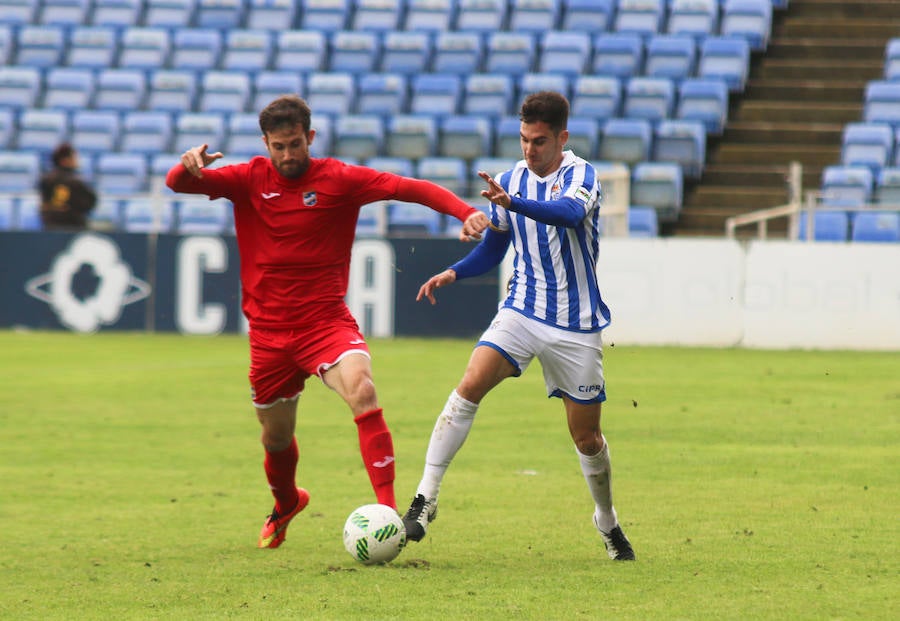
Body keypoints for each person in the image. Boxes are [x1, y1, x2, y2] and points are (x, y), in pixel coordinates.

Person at [165, 95, 490, 549]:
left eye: (295, 144)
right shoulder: (249, 179)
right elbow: (177, 184)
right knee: (276, 438)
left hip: (325, 324)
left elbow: (408, 187)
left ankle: (387, 515)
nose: (287, 155)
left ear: (310, 138)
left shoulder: (339, 179)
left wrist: (465, 212)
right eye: (278, 146)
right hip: (269, 335)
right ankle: (285, 503)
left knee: (364, 390)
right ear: (266, 143)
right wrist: (188, 167)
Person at [401, 91, 635, 561]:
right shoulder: (509, 180)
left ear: (562, 138)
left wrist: (515, 202)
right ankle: (425, 499)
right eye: (525, 139)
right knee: (468, 386)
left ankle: (606, 520)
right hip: (522, 311)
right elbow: (495, 247)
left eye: (540, 141)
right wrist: (456, 270)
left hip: (576, 322)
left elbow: (569, 214)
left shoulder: (581, 176)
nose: (530, 149)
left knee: (586, 438)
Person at [37, 142, 97, 231]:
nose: (76, 160)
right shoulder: (76, 182)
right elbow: (90, 201)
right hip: (74, 228)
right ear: (64, 160)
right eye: (73, 157)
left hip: (50, 227)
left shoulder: (45, 180)